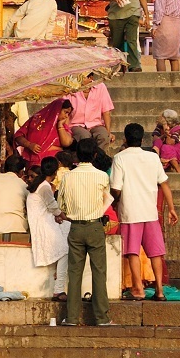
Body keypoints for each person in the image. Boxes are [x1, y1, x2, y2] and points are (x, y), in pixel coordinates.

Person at [110, 123, 179, 301]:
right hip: (150, 211)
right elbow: (164, 184)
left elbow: (116, 188)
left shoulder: (119, 158)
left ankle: (138, 289)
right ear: (142, 139)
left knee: (132, 251)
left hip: (130, 211)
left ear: (125, 139)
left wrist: (112, 202)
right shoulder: (152, 157)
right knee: (155, 252)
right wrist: (171, 208)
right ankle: (160, 290)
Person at [57, 138, 113, 327]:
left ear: (76, 156)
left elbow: (61, 206)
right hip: (95, 226)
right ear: (95, 155)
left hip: (76, 227)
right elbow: (106, 199)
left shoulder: (67, 177)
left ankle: (72, 317)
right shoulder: (102, 177)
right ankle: (102, 317)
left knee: (74, 273)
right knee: (99, 272)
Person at [26, 156, 70, 301]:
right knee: (65, 250)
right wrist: (67, 217)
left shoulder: (41, 185)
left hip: (45, 220)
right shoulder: (45, 187)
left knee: (68, 229)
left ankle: (59, 272)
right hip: (42, 226)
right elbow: (55, 209)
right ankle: (58, 290)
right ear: (55, 172)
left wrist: (59, 217)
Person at [13, 98, 73, 164]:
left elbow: (66, 143)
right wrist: (29, 145)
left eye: (68, 114)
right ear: (57, 109)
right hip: (37, 163)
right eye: (65, 112)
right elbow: (18, 136)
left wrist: (60, 125)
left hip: (56, 162)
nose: (66, 116)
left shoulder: (63, 126)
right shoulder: (36, 120)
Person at [67, 82, 115, 150]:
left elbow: (106, 111)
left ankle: (98, 158)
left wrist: (108, 132)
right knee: (85, 137)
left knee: (103, 136)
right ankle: (85, 159)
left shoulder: (100, 87)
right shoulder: (71, 87)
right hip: (76, 125)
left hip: (96, 124)